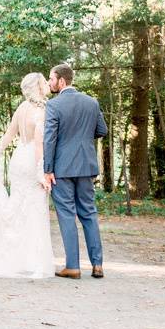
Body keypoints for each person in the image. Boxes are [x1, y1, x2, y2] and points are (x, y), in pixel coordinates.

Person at [0, 72, 54, 279]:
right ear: (38, 87)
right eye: (44, 82)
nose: (47, 84)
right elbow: (39, 144)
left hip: (18, 159)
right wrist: (41, 172)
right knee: (36, 208)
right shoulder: (42, 110)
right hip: (32, 161)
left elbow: (9, 134)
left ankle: (8, 257)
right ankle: (36, 263)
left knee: (16, 205)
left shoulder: (21, 108)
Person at [43, 63, 107, 279]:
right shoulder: (92, 102)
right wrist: (82, 140)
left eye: (51, 79)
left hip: (62, 167)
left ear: (61, 81)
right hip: (86, 165)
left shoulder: (54, 105)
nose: (49, 83)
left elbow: (49, 138)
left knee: (67, 215)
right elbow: (102, 130)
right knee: (89, 213)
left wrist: (47, 169)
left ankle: (73, 266)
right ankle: (97, 265)